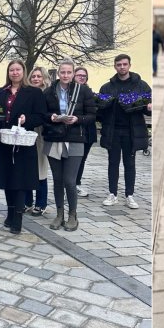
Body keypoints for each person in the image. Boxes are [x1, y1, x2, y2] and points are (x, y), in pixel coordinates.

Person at [0, 60, 47, 234]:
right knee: (7, 179)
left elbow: (41, 116)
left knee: (20, 180)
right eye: (11, 70)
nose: (15, 72)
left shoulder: (34, 92)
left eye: (18, 69)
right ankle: (10, 212)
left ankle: (18, 218)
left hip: (23, 143)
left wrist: (27, 119)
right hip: (3, 142)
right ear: (8, 72)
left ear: (23, 71)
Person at [43, 58, 97, 231]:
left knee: (69, 181)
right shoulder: (49, 91)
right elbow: (43, 113)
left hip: (75, 139)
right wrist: (51, 117)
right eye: (62, 72)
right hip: (54, 138)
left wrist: (77, 119)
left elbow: (92, 115)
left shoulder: (83, 90)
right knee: (58, 180)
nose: (65, 75)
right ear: (58, 73)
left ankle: (73, 215)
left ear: (73, 73)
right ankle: (59, 214)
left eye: (68, 72)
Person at [98, 54, 151, 209]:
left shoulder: (141, 85)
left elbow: (148, 107)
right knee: (113, 162)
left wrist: (149, 108)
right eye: (119, 64)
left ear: (129, 65)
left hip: (131, 131)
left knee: (130, 163)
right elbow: (101, 111)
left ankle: (130, 195)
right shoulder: (107, 87)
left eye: (124, 64)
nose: (122, 67)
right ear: (115, 66)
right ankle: (112, 193)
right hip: (113, 131)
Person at [24, 66, 50, 216]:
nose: (35, 79)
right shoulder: (26, 92)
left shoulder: (47, 94)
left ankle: (41, 202)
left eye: (39, 76)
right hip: (27, 131)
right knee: (26, 168)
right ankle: (27, 201)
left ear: (44, 78)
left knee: (40, 169)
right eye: (33, 76)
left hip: (41, 133)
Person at [73, 67, 97, 198]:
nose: (82, 77)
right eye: (79, 75)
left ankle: (76, 184)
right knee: (73, 159)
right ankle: (69, 185)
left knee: (82, 159)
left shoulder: (89, 92)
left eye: (84, 76)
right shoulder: (70, 92)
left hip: (88, 131)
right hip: (75, 131)